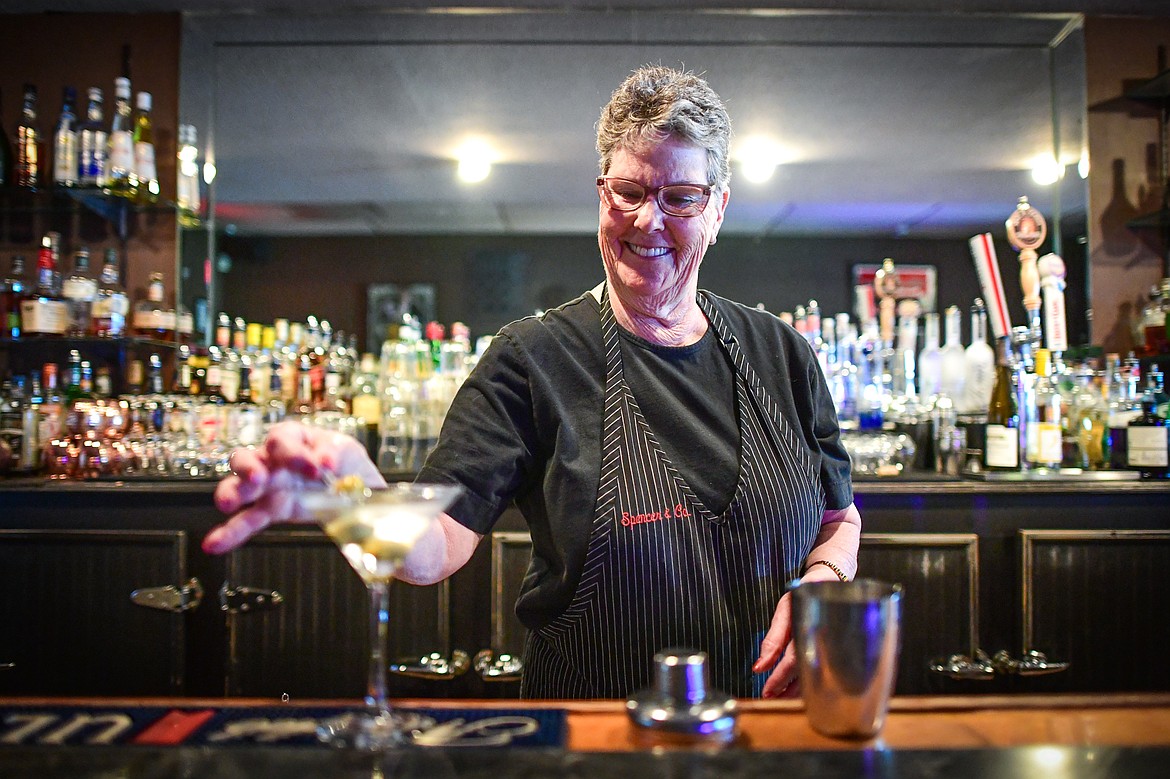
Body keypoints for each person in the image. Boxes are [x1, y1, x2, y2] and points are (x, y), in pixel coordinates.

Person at [205, 64, 861, 700]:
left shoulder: (782, 354)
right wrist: (352, 492)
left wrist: (826, 580)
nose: (647, 220)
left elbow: (840, 516)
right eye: (629, 192)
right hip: (592, 732)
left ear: (717, 209)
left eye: (680, 197)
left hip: (768, 724)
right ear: (601, 196)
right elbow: (433, 549)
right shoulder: (534, 359)